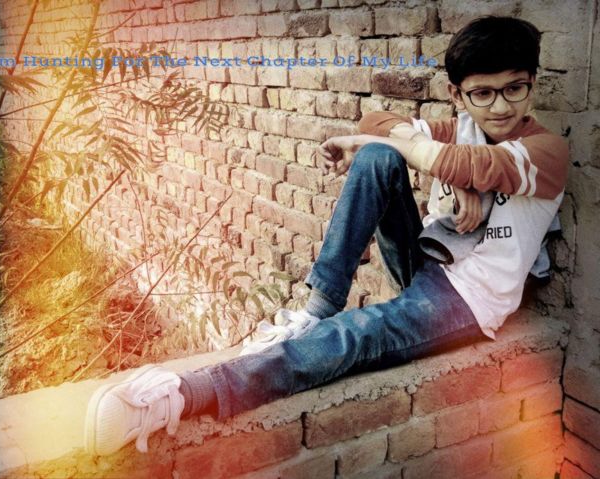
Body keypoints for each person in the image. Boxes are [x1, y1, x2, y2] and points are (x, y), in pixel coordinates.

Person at [84, 16, 569, 456]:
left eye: (515, 89)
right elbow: (377, 122)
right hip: (427, 260)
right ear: (457, 95)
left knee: (356, 335)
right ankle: (315, 310)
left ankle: (186, 394)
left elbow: (468, 163)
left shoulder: (546, 151)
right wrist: (434, 165)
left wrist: (449, 167)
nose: (500, 106)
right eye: (483, 93)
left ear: (533, 84)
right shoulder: (462, 128)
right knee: (379, 158)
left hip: (469, 301)